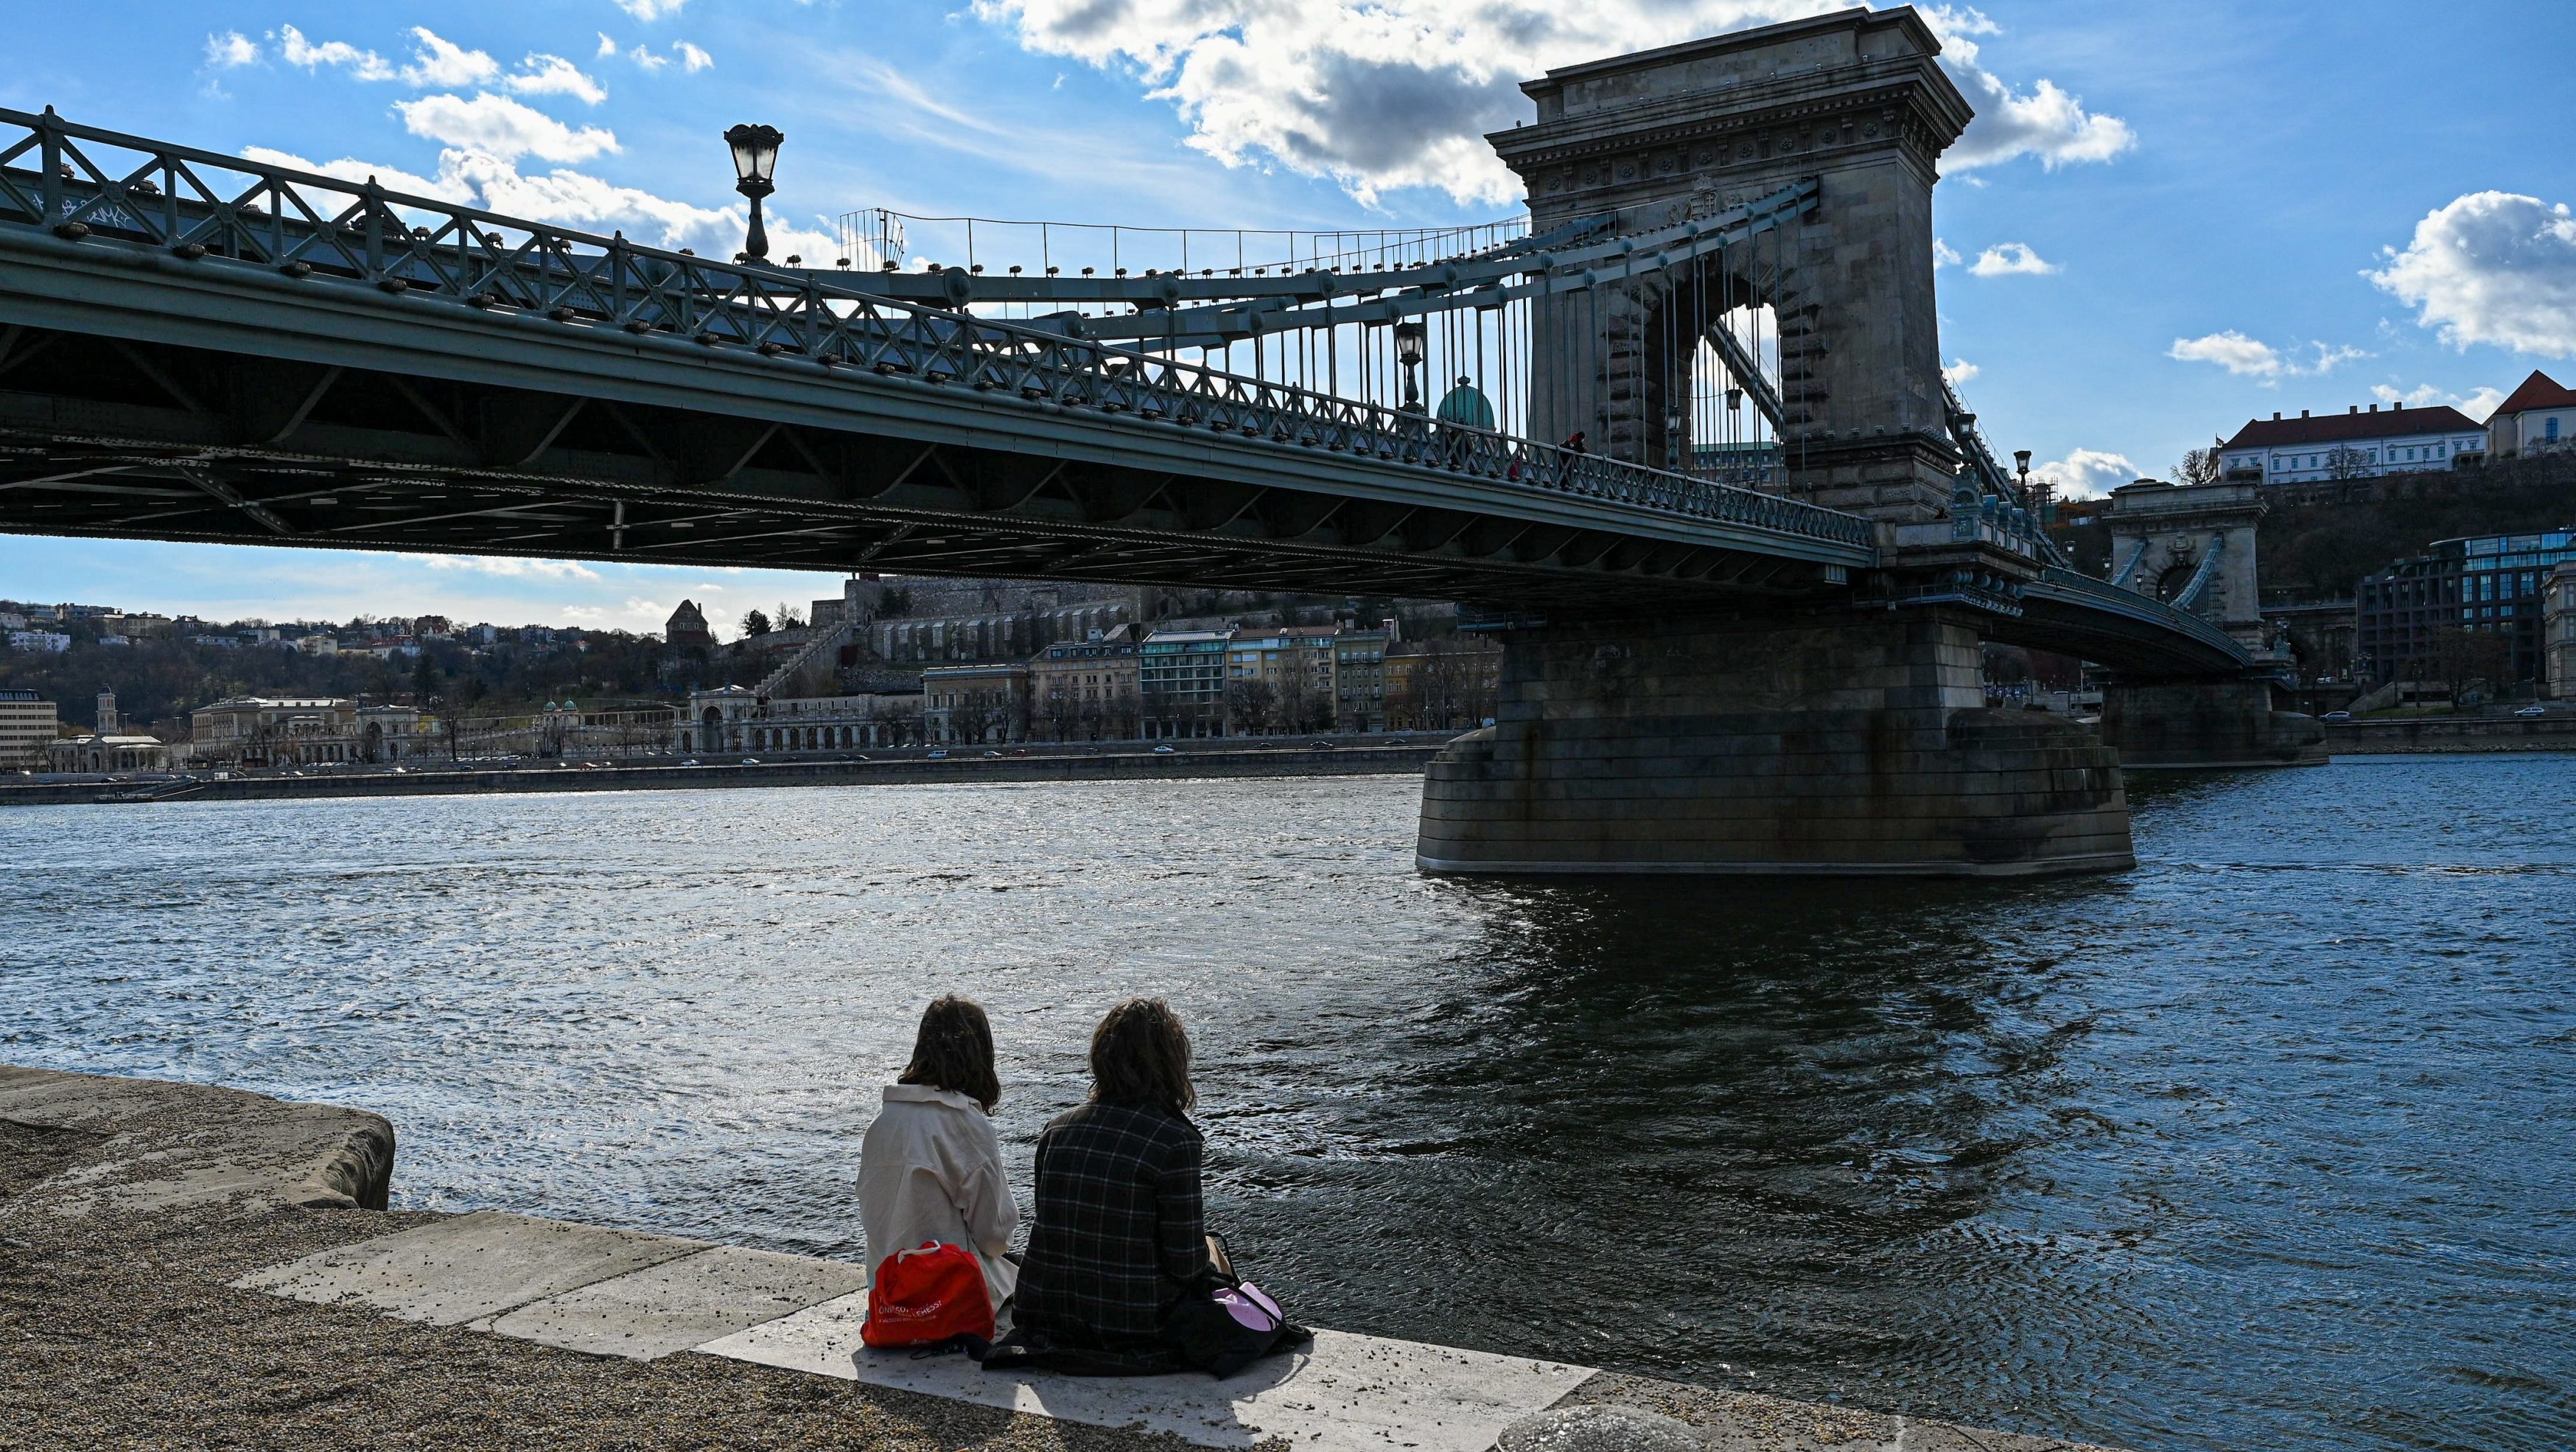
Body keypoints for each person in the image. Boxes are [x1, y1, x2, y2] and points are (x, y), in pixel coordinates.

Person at [1007, 997, 1221, 1372]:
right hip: (1132, 1326)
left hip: (1043, 1313)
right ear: (1172, 1064)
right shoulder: (1175, 1141)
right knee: (1210, 1249)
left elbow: (1054, 1224)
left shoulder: (1057, 1129)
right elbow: (1185, 1264)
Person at [858, 995, 1018, 1317]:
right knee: (1020, 1270)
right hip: (947, 1295)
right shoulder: (965, 1124)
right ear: (980, 1056)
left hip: (887, 1293)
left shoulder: (882, 1122)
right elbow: (995, 1237)